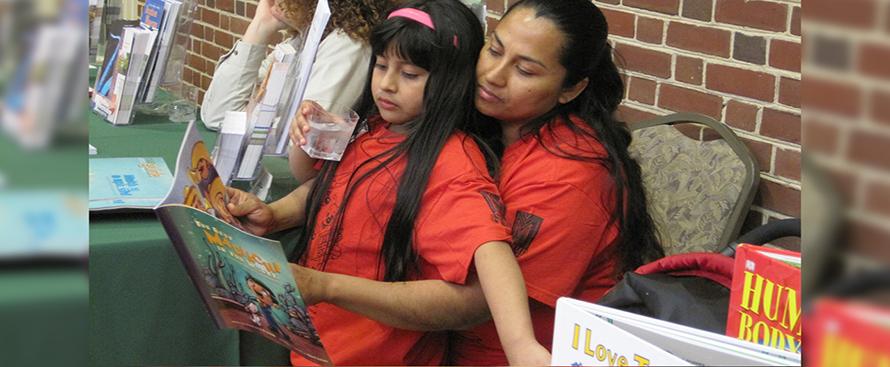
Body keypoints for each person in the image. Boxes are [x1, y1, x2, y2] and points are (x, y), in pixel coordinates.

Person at [286, 0, 666, 365]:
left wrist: (326, 286)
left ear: (571, 88)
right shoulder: (467, 120)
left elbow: (474, 297)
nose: (494, 76)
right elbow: (348, 187)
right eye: (494, 49)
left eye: (526, 71)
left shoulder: (565, 177)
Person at [227, 1, 550, 365]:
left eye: (410, 74)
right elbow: (336, 189)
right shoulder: (375, 129)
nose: (388, 85)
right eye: (381, 66)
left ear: (449, 82)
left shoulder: (452, 161)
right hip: (320, 349)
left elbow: (491, 250)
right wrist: (274, 214)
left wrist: (521, 344)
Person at [200, 0, 391, 131]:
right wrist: (260, 26)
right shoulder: (301, 39)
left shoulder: (347, 45)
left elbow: (302, 139)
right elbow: (217, 115)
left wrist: (245, 121)